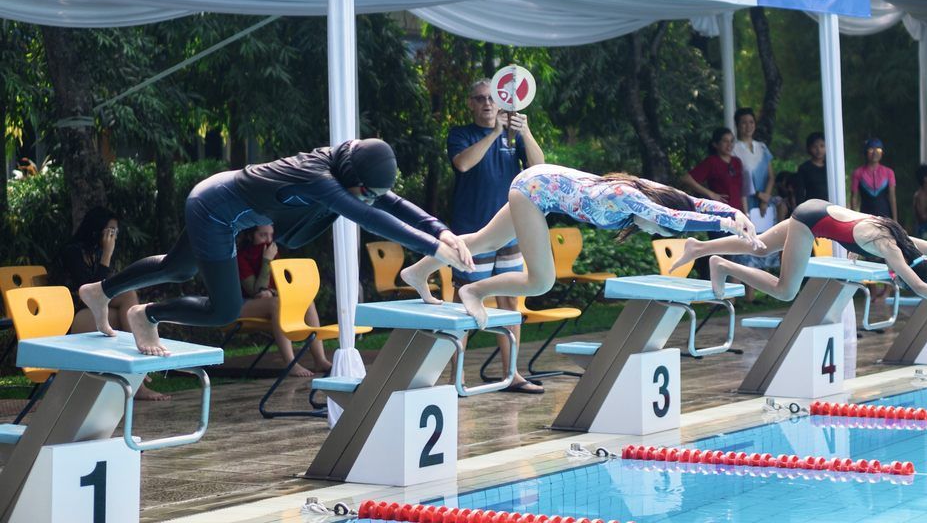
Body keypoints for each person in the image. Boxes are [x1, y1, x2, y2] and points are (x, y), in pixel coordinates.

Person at [79, 139, 472, 356]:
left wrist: (442, 233)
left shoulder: (344, 172)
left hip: (225, 207)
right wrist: (432, 248)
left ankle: (99, 291)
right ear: (354, 178)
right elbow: (369, 216)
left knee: (178, 266)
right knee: (225, 309)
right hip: (215, 210)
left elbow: (389, 203)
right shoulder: (319, 177)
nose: (372, 198)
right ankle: (148, 314)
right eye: (368, 192)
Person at [402, 165, 761, 328]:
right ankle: (475, 292)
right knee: (540, 281)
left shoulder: (654, 194)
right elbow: (677, 220)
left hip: (536, 186)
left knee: (482, 241)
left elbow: (692, 206)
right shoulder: (631, 197)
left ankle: (419, 271)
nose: (655, 232)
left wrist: (734, 212)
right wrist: (725, 225)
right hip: (532, 190)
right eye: (657, 227)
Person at [668, 199, 927, 329]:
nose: (896, 276)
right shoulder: (891, 249)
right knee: (785, 290)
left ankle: (699, 246)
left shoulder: (904, 241)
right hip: (810, 223)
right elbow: (919, 284)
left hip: (817, 208)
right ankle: (724, 265)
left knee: (762, 246)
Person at [442, 78, 545, 394]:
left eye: (492, 98)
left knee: (509, 301)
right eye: (480, 98)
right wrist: (496, 134)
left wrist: (523, 133)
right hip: (471, 232)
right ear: (471, 103)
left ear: (502, 102)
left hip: (510, 232)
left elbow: (539, 168)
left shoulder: (516, 137)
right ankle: (455, 378)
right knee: (465, 299)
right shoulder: (461, 135)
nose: (487, 103)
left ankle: (511, 373)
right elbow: (463, 164)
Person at [56, 207, 169, 400]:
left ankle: (137, 375)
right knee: (127, 299)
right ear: (96, 229)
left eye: (115, 232)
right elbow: (92, 292)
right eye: (110, 231)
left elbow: (106, 293)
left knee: (126, 303)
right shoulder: (72, 252)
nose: (113, 236)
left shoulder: (96, 252)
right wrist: (107, 255)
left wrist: (105, 255)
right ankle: (139, 374)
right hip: (71, 321)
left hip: (93, 317)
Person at [236, 224, 332, 377]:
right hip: (242, 305)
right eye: (263, 235)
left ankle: (320, 359)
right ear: (250, 235)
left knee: (306, 301)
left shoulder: (271, 252)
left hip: (267, 302)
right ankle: (290, 363)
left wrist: (271, 291)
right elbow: (255, 291)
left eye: (270, 235)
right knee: (277, 304)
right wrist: (267, 260)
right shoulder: (242, 257)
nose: (268, 240)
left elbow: (278, 287)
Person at [680, 127, 746, 212]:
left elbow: (741, 190)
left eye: (731, 141)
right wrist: (711, 194)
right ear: (715, 144)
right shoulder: (712, 162)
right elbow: (686, 179)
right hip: (720, 212)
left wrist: (745, 212)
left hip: (738, 212)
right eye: (725, 141)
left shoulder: (737, 162)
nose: (729, 144)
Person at [732, 107, 775, 217]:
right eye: (744, 123)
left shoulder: (762, 147)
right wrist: (758, 194)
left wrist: (765, 199)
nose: (748, 126)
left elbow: (771, 176)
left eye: (751, 122)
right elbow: (737, 180)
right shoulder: (733, 149)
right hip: (746, 202)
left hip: (765, 203)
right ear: (737, 125)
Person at [850, 137, 897, 219]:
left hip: (885, 215)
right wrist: (854, 219)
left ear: (882, 153)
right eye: (871, 150)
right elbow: (854, 197)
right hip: (865, 215)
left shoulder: (889, 172)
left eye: (878, 150)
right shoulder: (858, 173)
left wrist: (895, 220)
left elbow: (892, 197)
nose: (875, 153)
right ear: (866, 152)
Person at [797, 132, 828, 203]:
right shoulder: (804, 168)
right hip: (812, 207)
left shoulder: (830, 167)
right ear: (809, 148)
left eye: (822, 146)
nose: (819, 150)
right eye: (815, 147)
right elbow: (800, 192)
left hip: (831, 207)